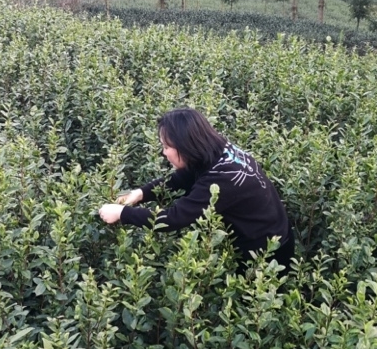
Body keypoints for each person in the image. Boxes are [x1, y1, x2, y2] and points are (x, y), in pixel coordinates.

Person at [98, 108, 295, 272]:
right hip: (271, 236)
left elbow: (174, 218)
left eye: (166, 147)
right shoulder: (219, 149)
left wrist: (122, 213)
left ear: (185, 145)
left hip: (267, 256)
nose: (163, 152)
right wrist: (140, 194)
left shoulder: (222, 179)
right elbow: (184, 176)